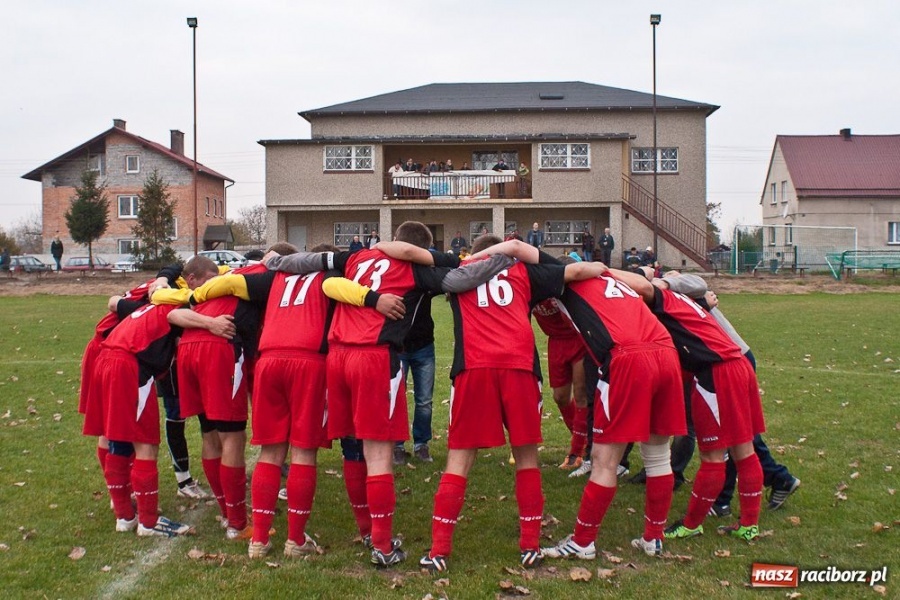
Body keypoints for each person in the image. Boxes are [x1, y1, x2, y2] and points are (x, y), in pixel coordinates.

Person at [267, 222, 514, 569]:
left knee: (353, 448)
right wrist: (504, 258)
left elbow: (310, 262)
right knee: (379, 453)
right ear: (423, 249)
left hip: (337, 356)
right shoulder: (416, 269)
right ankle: (382, 545)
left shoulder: (356, 257)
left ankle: (367, 531)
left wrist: (276, 262)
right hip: (375, 357)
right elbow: (461, 280)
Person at [413, 236, 610, 573]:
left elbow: (415, 262)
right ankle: (530, 546)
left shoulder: (459, 270)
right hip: (519, 367)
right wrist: (603, 268)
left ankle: (439, 551)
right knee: (526, 457)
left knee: (459, 459)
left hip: (473, 367)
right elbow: (576, 272)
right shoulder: (523, 271)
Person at [613, 267, 766, 544]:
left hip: (717, 372)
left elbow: (646, 287)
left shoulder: (663, 298)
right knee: (744, 449)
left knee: (713, 456)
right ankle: (749, 524)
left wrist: (605, 272)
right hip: (737, 364)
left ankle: (692, 524)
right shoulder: (684, 299)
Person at [95, 257, 222, 538]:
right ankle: (149, 522)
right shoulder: (178, 301)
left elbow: (117, 303)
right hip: (130, 366)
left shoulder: (155, 296)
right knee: (145, 445)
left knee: (116, 438)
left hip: (106, 358)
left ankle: (124, 516)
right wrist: (211, 323)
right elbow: (175, 316)